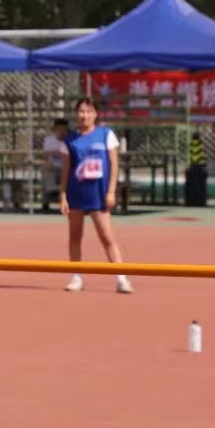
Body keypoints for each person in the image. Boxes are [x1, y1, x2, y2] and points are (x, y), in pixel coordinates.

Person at [58, 97, 132, 294]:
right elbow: (65, 171)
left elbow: (114, 164)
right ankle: (76, 276)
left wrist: (111, 191)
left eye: (88, 111)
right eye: (81, 111)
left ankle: (121, 278)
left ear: (95, 114)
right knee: (75, 236)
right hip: (76, 193)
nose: (84, 115)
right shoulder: (69, 141)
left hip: (98, 194)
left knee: (106, 236)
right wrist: (63, 195)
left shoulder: (105, 135)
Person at [41, 118, 69, 213]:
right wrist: (54, 153)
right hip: (52, 167)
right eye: (59, 129)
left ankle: (58, 191)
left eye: (64, 129)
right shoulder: (49, 140)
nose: (62, 131)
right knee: (46, 168)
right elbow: (45, 155)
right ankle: (51, 191)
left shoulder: (69, 140)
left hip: (66, 167)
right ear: (55, 129)